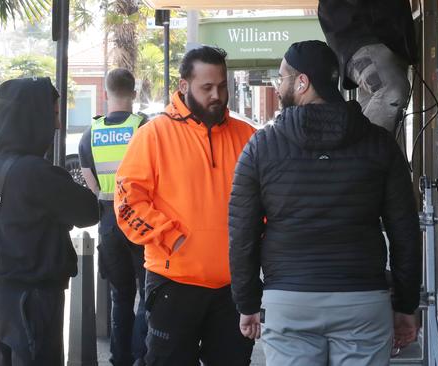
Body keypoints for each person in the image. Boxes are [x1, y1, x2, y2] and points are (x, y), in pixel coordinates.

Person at [229, 40, 421, 365]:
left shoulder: (261, 147)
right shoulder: (380, 144)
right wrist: (405, 304)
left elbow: (241, 235)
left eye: (283, 77)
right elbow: (405, 231)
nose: (279, 86)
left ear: (302, 82)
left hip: (289, 304)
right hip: (363, 302)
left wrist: (247, 303)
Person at [114, 46, 256, 365]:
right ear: (183, 86)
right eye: (206, 88)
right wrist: (169, 236)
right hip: (174, 283)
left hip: (235, 287)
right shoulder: (153, 135)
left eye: (222, 86)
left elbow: (266, 202)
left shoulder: (247, 136)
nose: (217, 95)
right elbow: (127, 202)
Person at [0, 77, 99, 366]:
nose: (57, 125)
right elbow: (88, 212)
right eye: (54, 115)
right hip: (33, 302)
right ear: (32, 117)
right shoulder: (36, 171)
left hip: (2, 297)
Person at [79, 68, 147, 366]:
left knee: (120, 296)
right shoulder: (144, 127)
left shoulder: (90, 134)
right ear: (133, 93)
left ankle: (120, 358)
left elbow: (90, 182)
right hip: (143, 223)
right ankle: (141, 355)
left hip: (108, 221)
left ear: (105, 94)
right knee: (148, 295)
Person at [318, 0, 417, 134]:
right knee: (392, 90)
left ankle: (363, 149)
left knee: (373, 105)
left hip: (389, 40)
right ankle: (360, 152)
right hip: (360, 34)